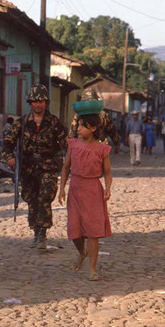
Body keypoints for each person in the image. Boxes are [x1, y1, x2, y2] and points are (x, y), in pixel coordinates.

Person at [3, 84, 68, 249]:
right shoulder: (22, 122)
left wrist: (70, 162)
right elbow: (8, 143)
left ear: (46, 102)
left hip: (48, 166)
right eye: (34, 101)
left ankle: (43, 234)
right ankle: (35, 230)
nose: (37, 104)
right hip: (28, 167)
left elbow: (67, 144)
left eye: (40, 101)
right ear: (30, 103)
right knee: (31, 200)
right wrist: (10, 157)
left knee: (45, 197)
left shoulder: (54, 122)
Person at [58, 114, 112, 281]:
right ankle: (82, 252)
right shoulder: (73, 145)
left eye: (83, 126)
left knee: (93, 231)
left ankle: (93, 269)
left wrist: (108, 187)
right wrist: (62, 188)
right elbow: (66, 167)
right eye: (78, 125)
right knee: (75, 230)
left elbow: (108, 171)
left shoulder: (102, 149)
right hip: (76, 189)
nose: (78, 129)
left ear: (94, 129)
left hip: (93, 190)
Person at [68, 88, 120, 153]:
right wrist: (117, 144)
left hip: (91, 148)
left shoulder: (79, 115)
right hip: (94, 148)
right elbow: (112, 131)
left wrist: (117, 144)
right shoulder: (103, 115)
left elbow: (72, 133)